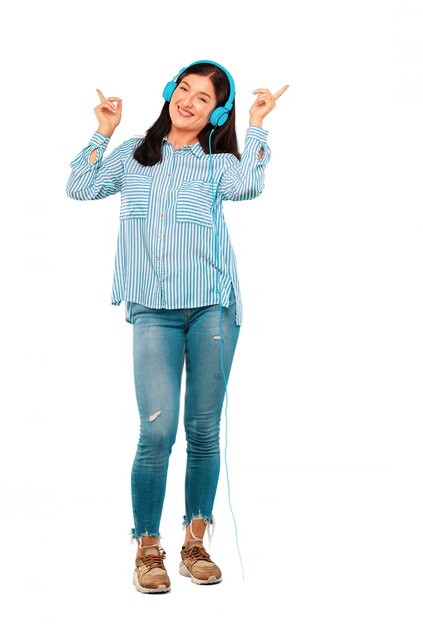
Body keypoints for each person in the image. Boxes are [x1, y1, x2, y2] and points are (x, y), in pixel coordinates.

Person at [66, 60, 288, 594]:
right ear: (170, 92)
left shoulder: (217, 163)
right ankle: (147, 546)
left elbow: (251, 184)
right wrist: (102, 131)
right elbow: (78, 186)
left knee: (203, 431)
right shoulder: (133, 157)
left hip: (213, 309)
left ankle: (195, 543)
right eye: (184, 89)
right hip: (153, 311)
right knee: (157, 432)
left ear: (217, 113)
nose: (188, 101)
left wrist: (258, 121)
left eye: (204, 98)